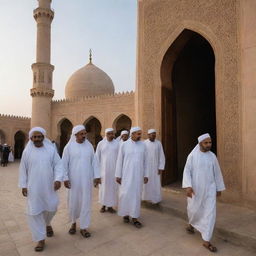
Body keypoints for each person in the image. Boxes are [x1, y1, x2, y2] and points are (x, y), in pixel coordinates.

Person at [19, 127, 63, 252]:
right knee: (35, 211)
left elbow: (58, 165)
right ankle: (40, 239)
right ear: (31, 138)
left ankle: (47, 223)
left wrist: (58, 179)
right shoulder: (27, 152)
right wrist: (23, 185)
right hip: (33, 187)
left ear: (43, 137)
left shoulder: (50, 150)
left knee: (52, 207)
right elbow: (23, 169)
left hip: (49, 186)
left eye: (39, 137)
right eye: (35, 137)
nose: (37, 139)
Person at [182, 133, 225, 253]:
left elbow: (217, 172)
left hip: (210, 190)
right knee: (194, 210)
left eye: (210, 142)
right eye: (206, 143)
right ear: (200, 143)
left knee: (210, 214)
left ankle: (206, 240)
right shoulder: (192, 156)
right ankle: (192, 224)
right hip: (196, 190)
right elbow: (187, 171)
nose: (209, 145)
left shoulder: (212, 156)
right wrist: (188, 186)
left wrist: (219, 187)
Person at [62, 125, 101, 238]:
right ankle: (73, 223)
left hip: (86, 180)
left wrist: (97, 176)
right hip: (73, 181)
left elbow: (94, 163)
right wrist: (65, 178)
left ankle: (84, 227)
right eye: (81, 134)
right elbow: (64, 164)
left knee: (86, 203)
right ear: (75, 135)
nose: (84, 136)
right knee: (73, 202)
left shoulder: (89, 147)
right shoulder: (68, 147)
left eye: (85, 133)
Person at [115, 126, 149, 228]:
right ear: (132, 134)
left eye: (140, 134)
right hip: (126, 175)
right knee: (125, 194)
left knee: (136, 196)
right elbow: (119, 160)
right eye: (138, 134)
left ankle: (135, 217)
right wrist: (118, 175)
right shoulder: (124, 145)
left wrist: (146, 174)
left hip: (138, 176)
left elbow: (146, 161)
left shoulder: (143, 145)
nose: (140, 136)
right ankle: (125, 214)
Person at [96, 128, 119, 213]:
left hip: (114, 171)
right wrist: (97, 173)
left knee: (112, 188)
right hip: (103, 171)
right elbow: (97, 158)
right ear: (105, 134)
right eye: (109, 134)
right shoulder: (101, 144)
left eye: (112, 133)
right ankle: (103, 205)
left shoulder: (117, 144)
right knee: (103, 188)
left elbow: (120, 158)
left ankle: (110, 206)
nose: (111, 135)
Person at [142, 129, 165, 204]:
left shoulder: (158, 143)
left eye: (154, 134)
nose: (154, 135)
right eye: (152, 134)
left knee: (155, 183)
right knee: (146, 183)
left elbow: (161, 155)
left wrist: (161, 167)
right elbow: (142, 156)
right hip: (146, 167)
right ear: (148, 135)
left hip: (155, 167)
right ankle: (145, 197)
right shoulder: (144, 143)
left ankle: (155, 199)